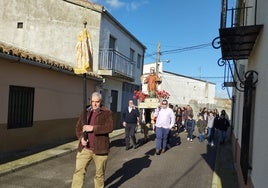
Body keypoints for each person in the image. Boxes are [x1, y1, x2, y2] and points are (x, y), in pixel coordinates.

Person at [71, 92, 113, 188]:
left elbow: (109, 127)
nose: (94, 104)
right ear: (90, 101)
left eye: (97, 102)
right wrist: (81, 138)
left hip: (100, 150)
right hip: (85, 148)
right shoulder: (85, 112)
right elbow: (78, 127)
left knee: (99, 175)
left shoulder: (107, 112)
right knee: (78, 172)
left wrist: (93, 128)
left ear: (100, 102)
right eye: (93, 101)